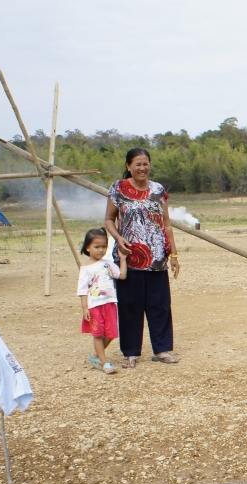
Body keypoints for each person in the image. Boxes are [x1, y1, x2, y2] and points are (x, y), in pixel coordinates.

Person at [103, 148, 181, 369]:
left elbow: (166, 224)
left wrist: (173, 253)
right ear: (128, 166)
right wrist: (118, 239)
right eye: (138, 164)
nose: (142, 168)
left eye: (145, 164)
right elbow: (109, 219)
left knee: (160, 305)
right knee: (129, 306)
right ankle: (131, 352)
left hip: (157, 258)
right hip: (128, 257)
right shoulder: (118, 188)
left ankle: (162, 349)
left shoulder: (158, 189)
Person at [77, 228, 128, 375]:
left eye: (104, 247)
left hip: (110, 303)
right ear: (87, 247)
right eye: (96, 247)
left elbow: (122, 275)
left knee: (111, 334)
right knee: (98, 334)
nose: (100, 250)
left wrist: (123, 259)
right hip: (94, 306)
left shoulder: (108, 264)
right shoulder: (85, 268)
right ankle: (104, 362)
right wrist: (85, 308)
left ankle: (96, 356)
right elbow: (82, 290)